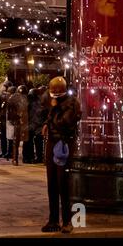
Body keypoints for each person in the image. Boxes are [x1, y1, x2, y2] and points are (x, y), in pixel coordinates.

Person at [41, 77, 81, 234]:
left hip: (64, 145)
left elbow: (63, 123)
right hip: (52, 144)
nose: (53, 93)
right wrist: (46, 123)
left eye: (56, 90)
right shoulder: (53, 102)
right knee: (52, 184)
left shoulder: (72, 103)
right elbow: (49, 119)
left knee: (63, 183)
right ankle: (53, 219)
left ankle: (67, 221)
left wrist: (54, 110)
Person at [7, 85, 29, 166]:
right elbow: (10, 111)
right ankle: (16, 158)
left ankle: (18, 158)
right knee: (17, 140)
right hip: (20, 120)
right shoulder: (15, 99)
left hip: (22, 120)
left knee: (18, 141)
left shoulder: (26, 98)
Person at [0, 80, 13, 158]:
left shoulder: (10, 96)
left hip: (8, 118)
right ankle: (4, 151)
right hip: (3, 117)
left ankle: (9, 152)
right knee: (3, 135)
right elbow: (0, 106)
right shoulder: (2, 95)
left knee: (9, 136)